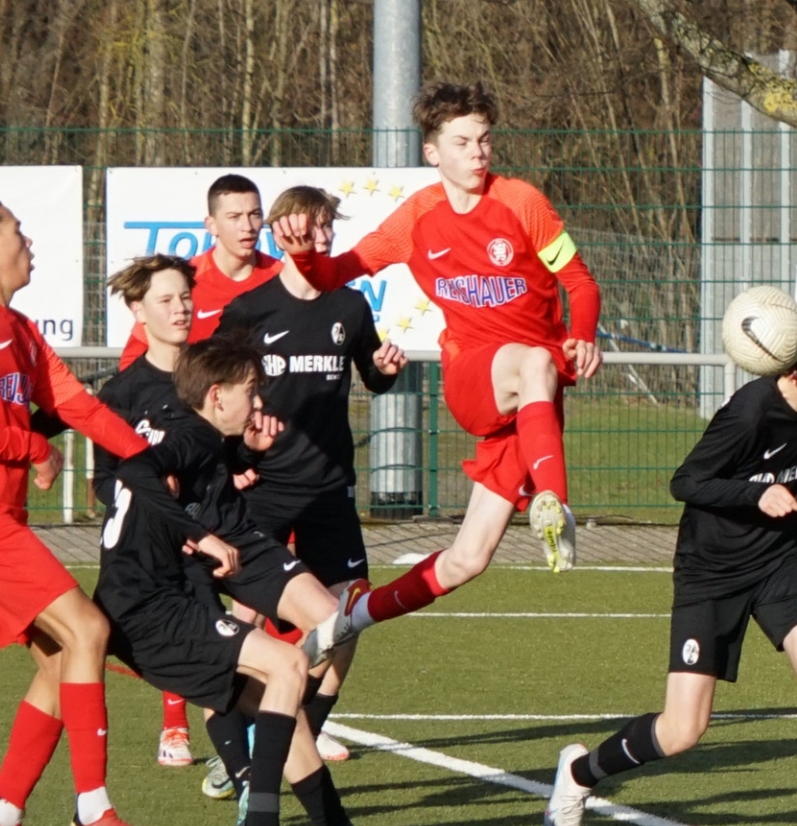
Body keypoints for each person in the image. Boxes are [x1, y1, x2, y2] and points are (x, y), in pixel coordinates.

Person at [541, 313, 797, 826]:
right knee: (682, 732)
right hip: (711, 575)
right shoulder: (750, 411)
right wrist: (756, 497)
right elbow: (687, 482)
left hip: (778, 564)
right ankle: (580, 774)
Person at [92, 337, 422, 826]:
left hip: (154, 597)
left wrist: (245, 456)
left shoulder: (194, 429)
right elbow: (135, 475)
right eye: (251, 391)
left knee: (285, 699)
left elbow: (174, 470)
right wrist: (200, 535)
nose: (259, 400)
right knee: (287, 671)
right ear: (217, 396)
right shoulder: (189, 433)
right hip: (151, 609)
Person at [273, 80, 602, 603]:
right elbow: (338, 272)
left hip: (529, 402)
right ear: (432, 152)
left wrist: (583, 335)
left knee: (467, 559)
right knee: (537, 361)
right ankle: (554, 505)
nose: (478, 152)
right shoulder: (418, 217)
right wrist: (305, 257)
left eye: (485, 140)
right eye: (462, 142)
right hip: (476, 374)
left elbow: (581, 283)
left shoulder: (523, 202)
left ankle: (352, 619)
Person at [0, 197, 170, 826]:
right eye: (16, 232)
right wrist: (30, 445)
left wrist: (150, 464)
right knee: (87, 631)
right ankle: (93, 813)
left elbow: (77, 405)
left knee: (63, 663)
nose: (27, 241)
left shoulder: (18, 329)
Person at [218, 185, 409, 765]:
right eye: (312, 229)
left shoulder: (350, 307)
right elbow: (215, 397)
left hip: (330, 490)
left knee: (349, 618)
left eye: (329, 229)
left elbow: (372, 379)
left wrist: (382, 373)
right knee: (242, 622)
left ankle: (303, 726)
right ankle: (234, 746)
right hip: (265, 489)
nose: (323, 240)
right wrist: (232, 466)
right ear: (283, 234)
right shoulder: (249, 310)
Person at [121, 173, 281, 768]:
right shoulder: (131, 377)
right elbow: (127, 446)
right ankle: (178, 729)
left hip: (232, 493)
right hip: (173, 513)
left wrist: (246, 454)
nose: (183, 308)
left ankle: (263, 742)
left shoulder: (268, 286)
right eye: (234, 215)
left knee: (249, 618)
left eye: (254, 214)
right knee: (198, 619)